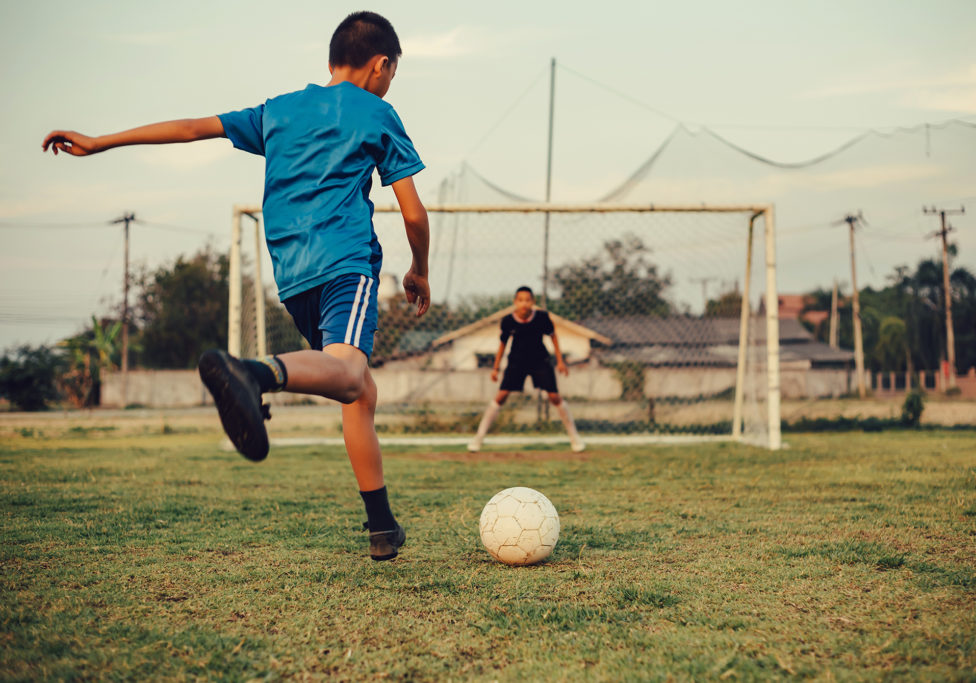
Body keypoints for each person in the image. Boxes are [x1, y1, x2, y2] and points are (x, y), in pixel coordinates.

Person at [42, 12, 429, 562]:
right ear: (382, 65)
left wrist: (102, 142)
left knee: (359, 390)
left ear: (329, 62)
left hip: (293, 276)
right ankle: (253, 373)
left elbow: (191, 127)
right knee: (347, 372)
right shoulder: (378, 111)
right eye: (393, 72)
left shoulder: (279, 110)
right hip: (346, 265)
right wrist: (420, 270)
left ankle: (381, 526)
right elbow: (413, 214)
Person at [468, 286, 584, 453]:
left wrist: (560, 361)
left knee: (554, 396)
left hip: (540, 361)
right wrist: (496, 368)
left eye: (527, 300)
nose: (524, 303)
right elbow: (502, 344)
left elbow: (553, 336)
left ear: (533, 302)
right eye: (520, 300)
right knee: (501, 396)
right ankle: (478, 438)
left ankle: (575, 438)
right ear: (515, 302)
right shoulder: (508, 321)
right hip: (517, 362)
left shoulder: (542, 318)